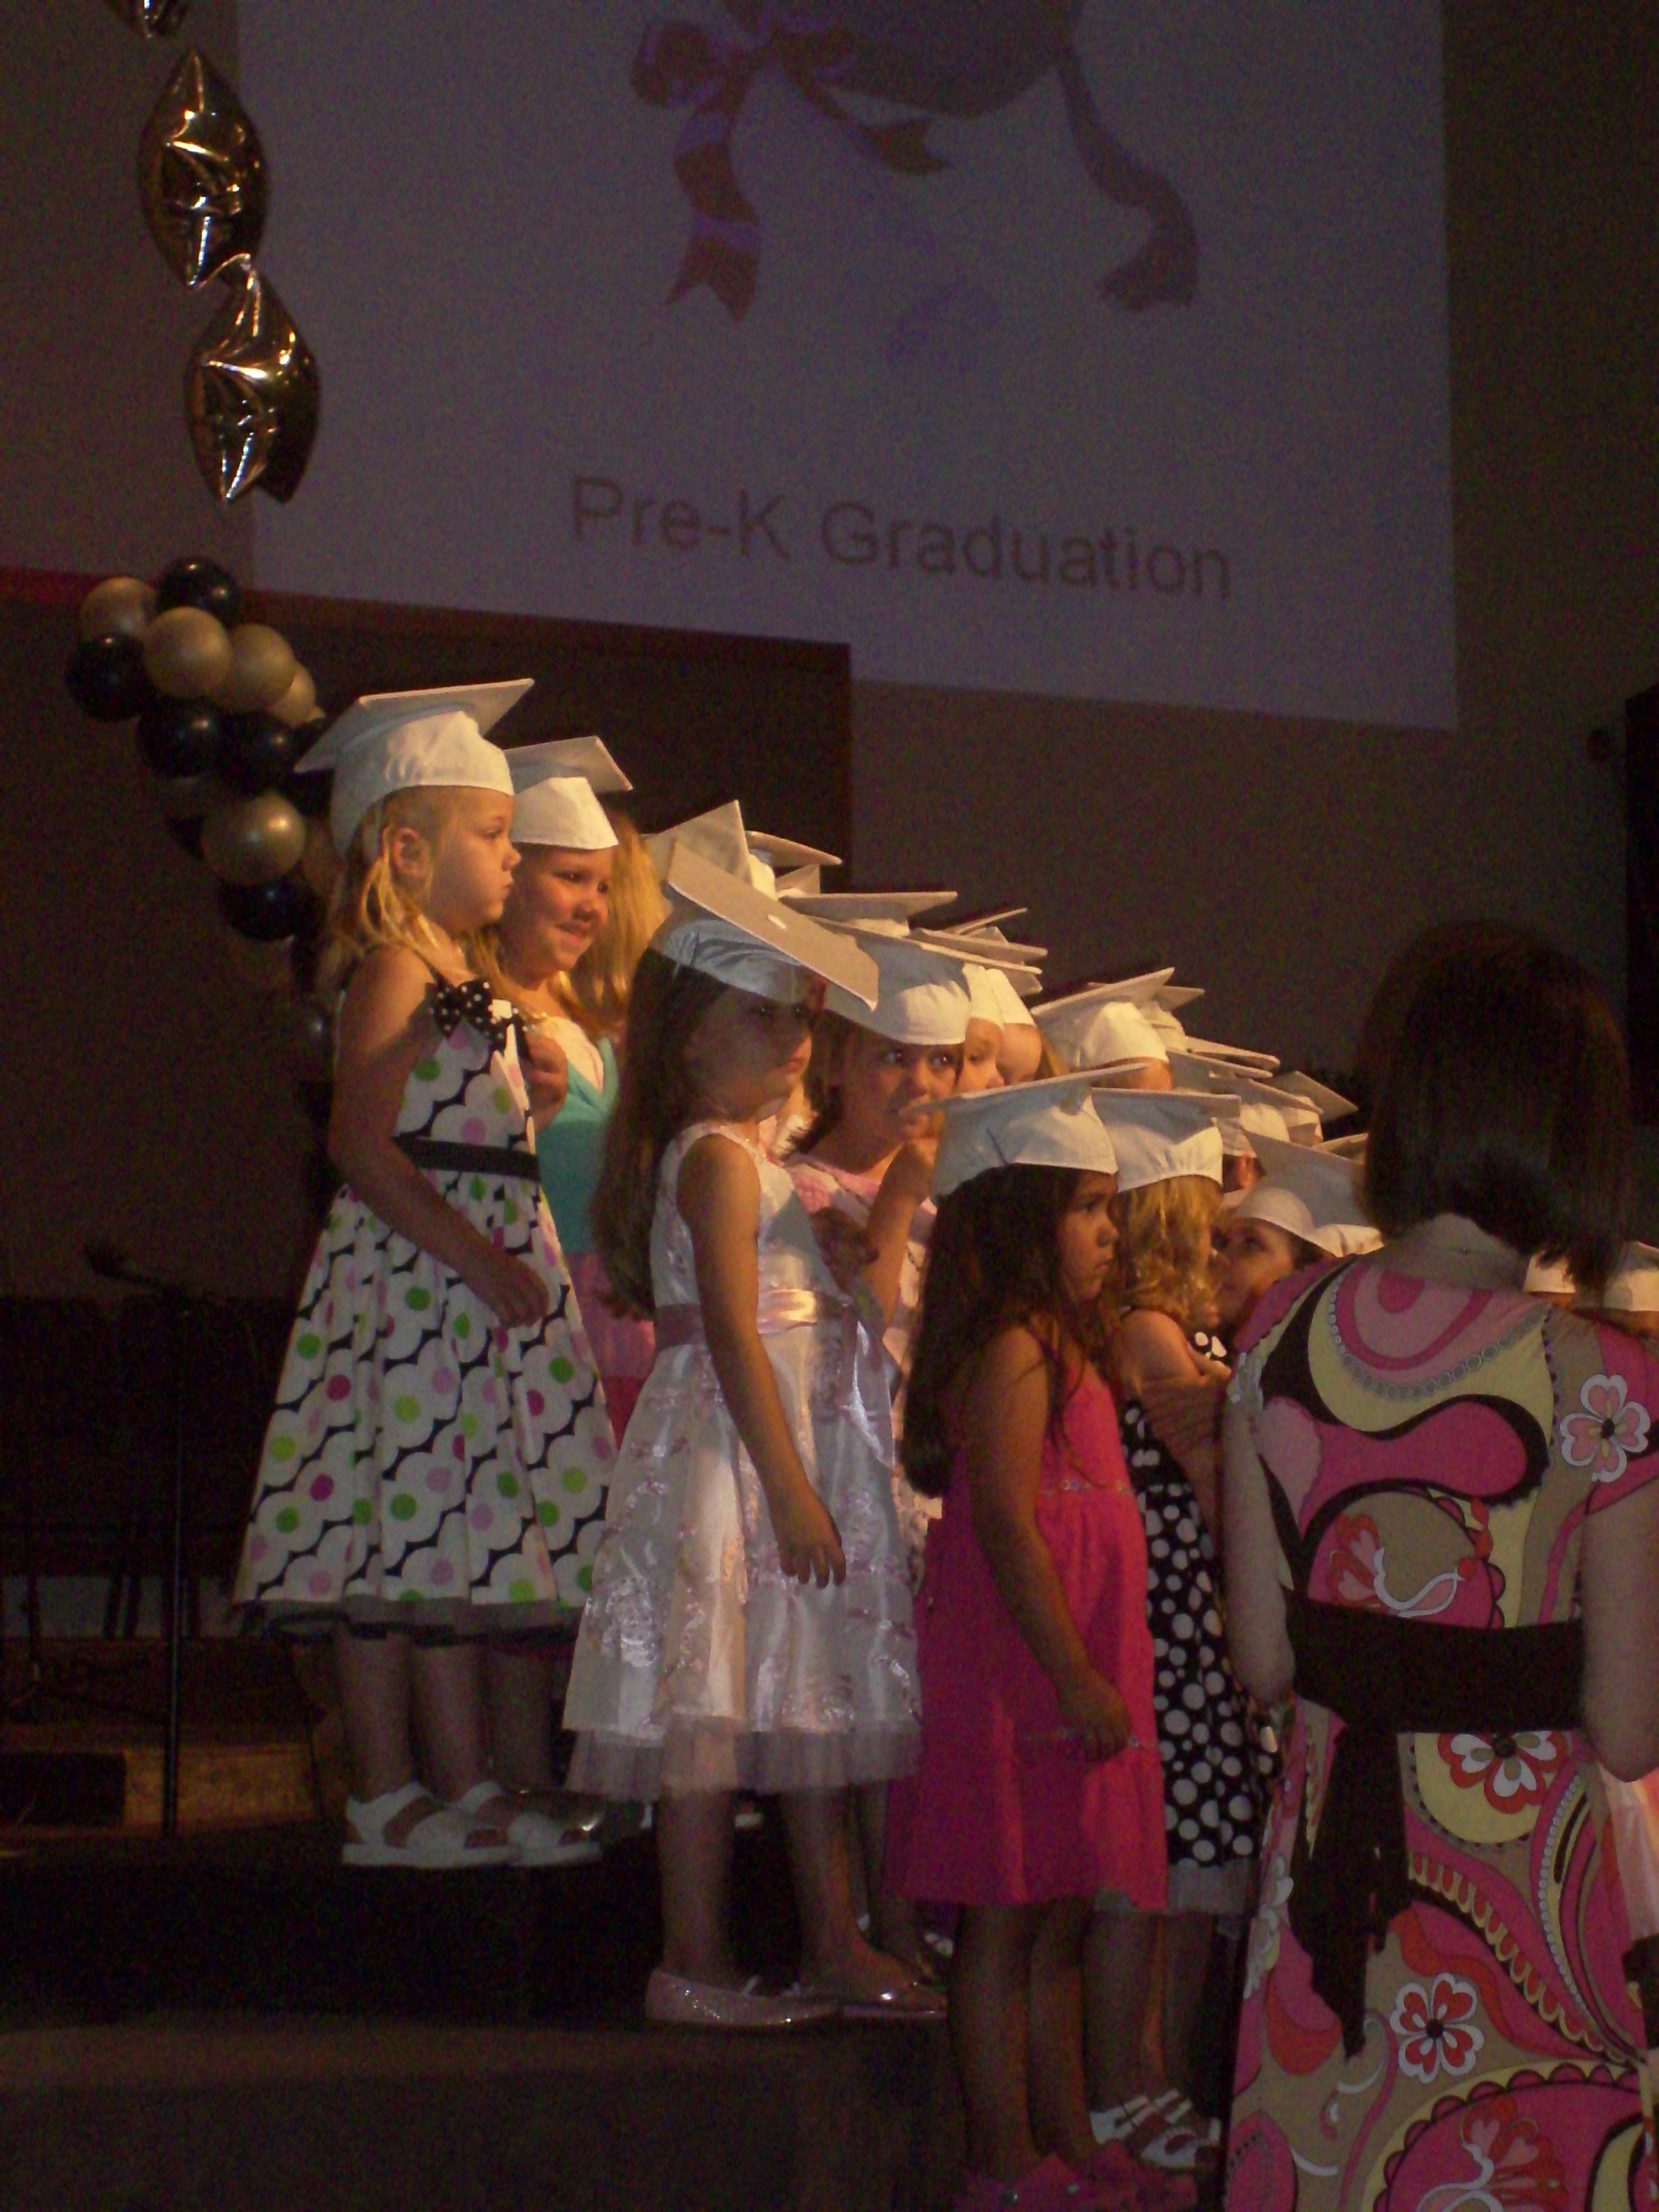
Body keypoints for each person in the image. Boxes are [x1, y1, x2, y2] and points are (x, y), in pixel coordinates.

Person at [1222, 924, 1659, 2212]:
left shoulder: (1277, 1333)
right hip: (1520, 1899)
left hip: (1327, 1889)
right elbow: (1629, 1729)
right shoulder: (1602, 1380)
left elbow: (1261, 1659)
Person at [235, 683, 615, 1869]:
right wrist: (476, 1255)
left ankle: (460, 1783)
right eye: (494, 835)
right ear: (407, 850)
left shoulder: (457, 973)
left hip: (459, 1295)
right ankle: (389, 1793)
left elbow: (457, 1118)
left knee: (449, 1545)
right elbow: (359, 1140)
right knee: (389, 1543)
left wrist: (523, 1097)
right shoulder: (398, 969)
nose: (512, 856)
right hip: (416, 1291)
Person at [562, 848, 936, 2027]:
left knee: (798, 1704)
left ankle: (832, 1942)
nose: (792, 1043)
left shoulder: (754, 1163)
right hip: (737, 1462)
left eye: (800, 1019)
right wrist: (787, 1488)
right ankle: (694, 1958)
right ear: (687, 1037)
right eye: (762, 1017)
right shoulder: (722, 1159)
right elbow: (728, 1327)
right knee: (709, 1720)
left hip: (769, 1450)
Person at [885, 1076, 1177, 2212]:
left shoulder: (1071, 1344)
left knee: (1058, 1916)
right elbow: (1007, 1522)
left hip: (1076, 1661)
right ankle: (999, 2161)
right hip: (1025, 1671)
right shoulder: (1015, 1349)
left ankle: (1065, 2137)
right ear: (1019, 1220)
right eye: (1087, 1208)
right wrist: (1072, 1672)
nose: (1110, 1232)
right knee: (1004, 1925)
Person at [1084, 1093, 1267, 2182]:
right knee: (1161, 1869)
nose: (1220, 1229)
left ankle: (1162, 2074)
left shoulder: (1184, 1332)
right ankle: (1129, 2078)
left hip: (1194, 1611)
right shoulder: (1148, 1331)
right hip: (1170, 1617)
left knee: (1198, 1865)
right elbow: (1209, 1468)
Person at [485, 739, 657, 1444]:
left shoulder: (599, 1034)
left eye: (604, 886)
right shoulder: (485, 1021)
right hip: (544, 1321)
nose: (592, 906)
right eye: (571, 877)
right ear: (508, 875)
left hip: (624, 1322)